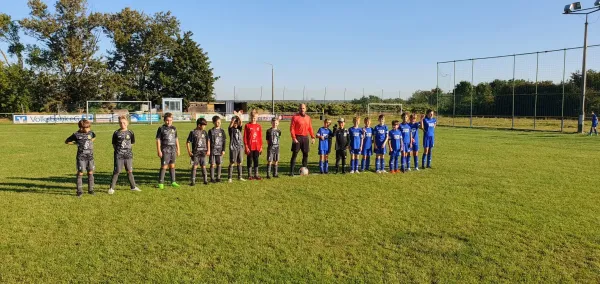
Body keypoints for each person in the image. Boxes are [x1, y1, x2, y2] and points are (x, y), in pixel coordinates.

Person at [109, 115, 140, 194]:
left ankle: (133, 187)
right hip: (119, 155)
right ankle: (111, 188)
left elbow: (132, 143)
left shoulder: (130, 132)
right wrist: (119, 151)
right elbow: (114, 144)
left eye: (124, 122)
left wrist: (127, 150)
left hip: (128, 155)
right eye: (120, 123)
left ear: (127, 123)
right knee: (117, 171)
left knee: (129, 170)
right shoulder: (116, 133)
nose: (122, 124)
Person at [65, 119, 96, 197]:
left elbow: (94, 137)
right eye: (87, 128)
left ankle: (91, 189)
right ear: (81, 128)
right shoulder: (76, 134)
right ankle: (79, 191)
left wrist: (90, 141)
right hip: (81, 157)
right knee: (80, 172)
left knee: (90, 172)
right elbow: (67, 141)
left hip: (90, 157)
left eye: (89, 127)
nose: (89, 129)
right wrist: (75, 143)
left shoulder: (91, 133)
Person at [289, 104, 315, 176]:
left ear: (305, 109)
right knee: (294, 154)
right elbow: (292, 129)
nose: (302, 109)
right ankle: (291, 171)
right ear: (299, 109)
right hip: (297, 138)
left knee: (305, 154)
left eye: (303, 108)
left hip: (305, 138)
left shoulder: (308, 118)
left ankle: (304, 170)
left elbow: (310, 128)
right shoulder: (295, 117)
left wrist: (312, 137)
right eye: (301, 108)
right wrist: (294, 138)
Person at [156, 112, 180, 189]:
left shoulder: (174, 128)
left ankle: (173, 181)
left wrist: (178, 149)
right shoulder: (161, 128)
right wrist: (159, 150)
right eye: (167, 120)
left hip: (173, 149)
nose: (169, 122)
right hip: (165, 150)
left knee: (172, 165)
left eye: (170, 120)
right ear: (164, 120)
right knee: (164, 166)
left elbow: (176, 139)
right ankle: (161, 183)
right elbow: (158, 140)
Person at [186, 117, 210, 185]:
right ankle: (193, 181)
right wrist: (189, 151)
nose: (205, 127)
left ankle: (205, 180)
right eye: (204, 125)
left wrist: (208, 150)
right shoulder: (193, 132)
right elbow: (188, 142)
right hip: (195, 153)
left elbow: (208, 141)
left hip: (203, 152)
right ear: (199, 125)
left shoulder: (205, 132)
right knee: (195, 166)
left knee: (203, 166)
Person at [244, 110, 263, 180]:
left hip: (257, 147)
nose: (253, 119)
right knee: (249, 160)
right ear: (250, 117)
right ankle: (249, 175)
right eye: (252, 117)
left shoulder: (258, 126)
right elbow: (245, 137)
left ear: (257, 118)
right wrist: (246, 146)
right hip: (250, 147)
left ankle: (256, 174)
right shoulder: (247, 125)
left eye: (255, 117)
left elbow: (260, 137)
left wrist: (261, 146)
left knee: (256, 160)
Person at [208, 115, 226, 182]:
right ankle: (212, 178)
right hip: (213, 150)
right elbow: (208, 141)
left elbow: (224, 141)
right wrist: (209, 150)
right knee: (212, 164)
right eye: (217, 122)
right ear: (213, 122)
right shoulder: (210, 131)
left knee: (219, 163)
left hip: (220, 150)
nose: (218, 123)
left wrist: (223, 150)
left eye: (219, 122)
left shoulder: (222, 131)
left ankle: (218, 178)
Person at [228, 115, 245, 183]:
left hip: (240, 147)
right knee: (232, 162)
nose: (236, 124)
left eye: (236, 123)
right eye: (235, 123)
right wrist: (233, 120)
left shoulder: (239, 128)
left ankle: (240, 176)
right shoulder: (231, 130)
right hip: (233, 148)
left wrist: (238, 116)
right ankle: (230, 178)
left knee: (239, 162)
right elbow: (231, 125)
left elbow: (241, 122)